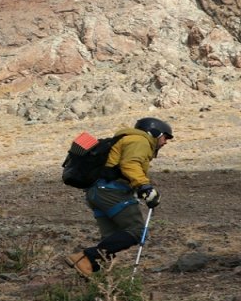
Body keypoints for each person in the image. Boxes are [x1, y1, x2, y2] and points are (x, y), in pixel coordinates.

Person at [64, 118, 172, 277]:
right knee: (136, 231)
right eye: (165, 137)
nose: (166, 142)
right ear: (154, 132)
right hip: (111, 191)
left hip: (96, 193)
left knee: (111, 239)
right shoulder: (140, 140)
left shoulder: (126, 139)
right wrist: (145, 187)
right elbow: (130, 164)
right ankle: (85, 257)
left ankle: (97, 279)